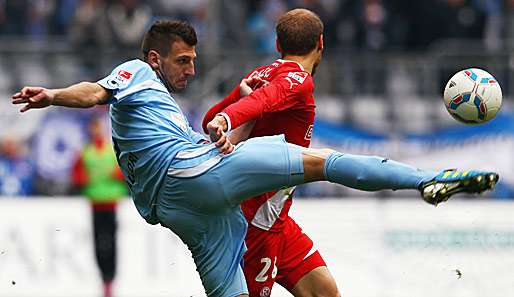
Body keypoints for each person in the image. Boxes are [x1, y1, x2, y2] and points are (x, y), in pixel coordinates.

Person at [12, 20, 498, 297]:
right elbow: (94, 91)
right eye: (184, 60)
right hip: (200, 182)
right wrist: (52, 95)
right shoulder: (136, 73)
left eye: (194, 60)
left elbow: (215, 122)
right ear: (156, 59)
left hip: (191, 215)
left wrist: (227, 121)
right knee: (319, 162)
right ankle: (427, 180)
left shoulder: (164, 110)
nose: (191, 68)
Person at [202, 8, 340, 297]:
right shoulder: (298, 81)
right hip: (256, 220)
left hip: (278, 216)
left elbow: (208, 120)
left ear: (277, 45)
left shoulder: (260, 73)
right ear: (321, 43)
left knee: (324, 292)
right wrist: (227, 119)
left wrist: (227, 110)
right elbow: (263, 100)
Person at [72, 115, 127, 297]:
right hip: (95, 202)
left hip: (111, 203)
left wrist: (117, 174)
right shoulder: (86, 152)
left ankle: (110, 279)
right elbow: (77, 176)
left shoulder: (111, 151)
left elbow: (124, 172)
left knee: (110, 242)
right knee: (98, 243)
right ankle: (104, 278)